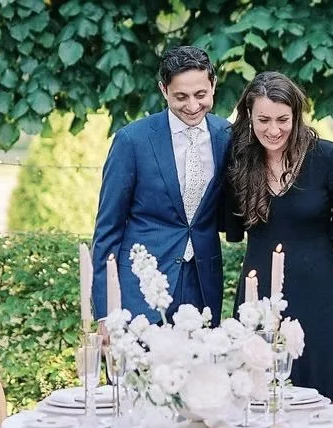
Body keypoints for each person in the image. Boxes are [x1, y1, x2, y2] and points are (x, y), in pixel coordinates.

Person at [226, 71, 333, 404]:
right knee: (259, 402)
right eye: (263, 119)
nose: (273, 130)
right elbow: (228, 231)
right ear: (249, 115)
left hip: (324, 299)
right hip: (258, 300)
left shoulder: (327, 157)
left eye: (283, 119)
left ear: (297, 115)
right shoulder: (237, 161)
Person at [91, 46, 231, 327]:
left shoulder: (227, 136)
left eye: (201, 95)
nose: (192, 106)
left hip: (202, 288)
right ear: (164, 90)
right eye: (181, 97)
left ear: (213, 85)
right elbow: (107, 229)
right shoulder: (132, 140)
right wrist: (106, 313)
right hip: (140, 290)